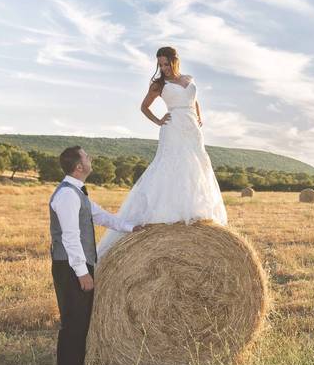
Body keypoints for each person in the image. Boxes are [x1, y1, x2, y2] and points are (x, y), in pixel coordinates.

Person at [96, 46, 227, 258]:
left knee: (195, 166)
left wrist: (199, 117)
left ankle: (194, 213)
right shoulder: (159, 84)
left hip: (192, 129)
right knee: (172, 166)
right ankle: (167, 214)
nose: (163, 68)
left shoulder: (189, 78)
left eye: (166, 63)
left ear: (175, 61)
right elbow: (144, 106)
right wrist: (158, 120)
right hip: (173, 127)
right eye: (160, 64)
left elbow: (194, 100)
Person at [49, 146, 143, 365]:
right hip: (70, 267)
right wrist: (82, 272)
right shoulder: (67, 195)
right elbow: (70, 237)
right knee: (72, 326)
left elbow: (101, 216)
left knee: (81, 324)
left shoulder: (77, 193)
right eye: (86, 157)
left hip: (77, 265)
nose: (91, 159)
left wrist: (132, 228)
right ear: (79, 167)